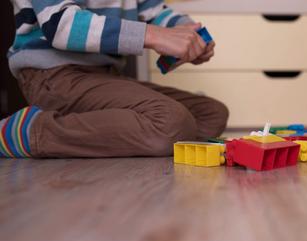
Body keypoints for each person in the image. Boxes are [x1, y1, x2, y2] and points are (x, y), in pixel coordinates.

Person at [0, 0, 228, 158]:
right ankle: (32, 132)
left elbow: (156, 13)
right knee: (170, 123)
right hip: (53, 74)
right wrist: (154, 35)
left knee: (211, 113)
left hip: (105, 75)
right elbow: (62, 25)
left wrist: (186, 33)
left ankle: (107, 137)